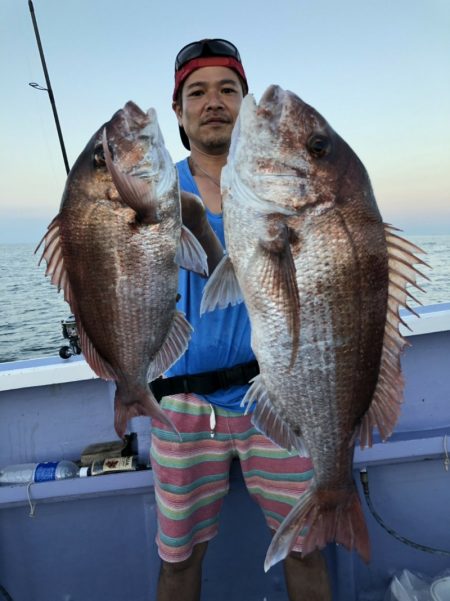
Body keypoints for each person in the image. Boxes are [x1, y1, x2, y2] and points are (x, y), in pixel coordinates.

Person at [149, 38, 332, 601]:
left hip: (277, 392)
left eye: (228, 90)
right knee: (179, 560)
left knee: (305, 547)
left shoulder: (286, 191)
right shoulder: (151, 190)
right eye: (196, 92)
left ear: (247, 107)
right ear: (179, 111)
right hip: (180, 404)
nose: (213, 102)